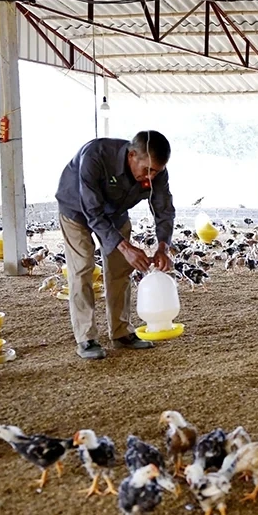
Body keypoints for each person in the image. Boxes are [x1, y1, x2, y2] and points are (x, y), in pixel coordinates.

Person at [55, 131, 175, 360]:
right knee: (82, 267)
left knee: (121, 269)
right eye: (147, 170)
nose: (151, 177)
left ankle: (121, 333)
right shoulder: (95, 156)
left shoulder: (157, 172)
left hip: (116, 213)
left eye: (156, 172)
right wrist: (126, 247)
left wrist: (162, 247)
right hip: (76, 211)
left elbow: (164, 210)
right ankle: (86, 338)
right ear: (132, 156)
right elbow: (92, 212)